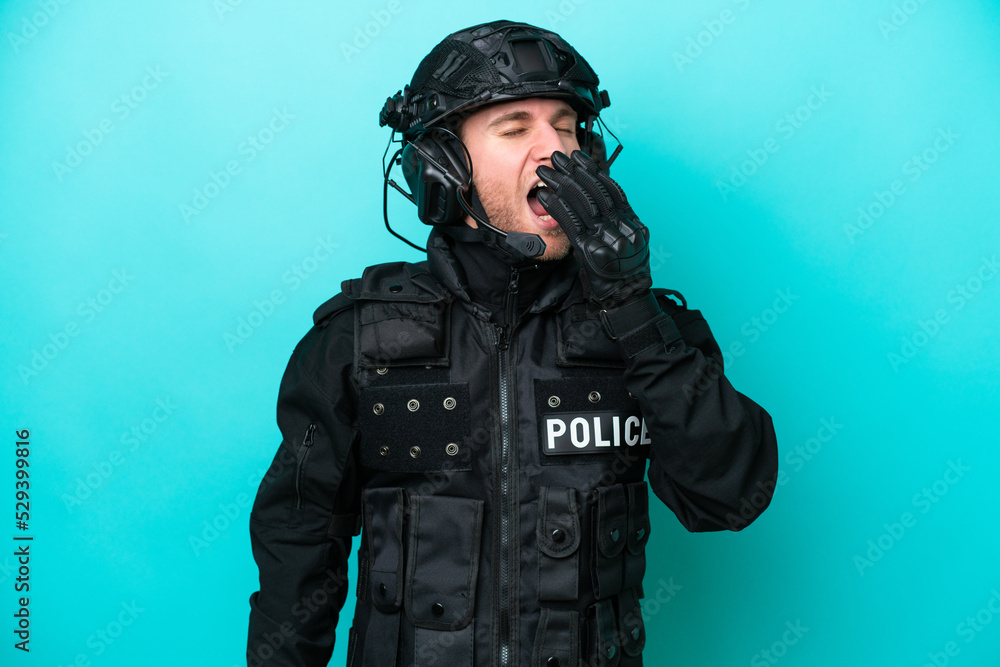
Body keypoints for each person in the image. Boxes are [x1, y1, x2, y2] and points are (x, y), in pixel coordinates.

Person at [247, 19, 779, 667]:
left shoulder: (649, 329)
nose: (556, 153)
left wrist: (633, 312)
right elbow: (297, 544)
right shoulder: (357, 340)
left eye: (568, 127)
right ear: (443, 166)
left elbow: (731, 498)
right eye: (515, 127)